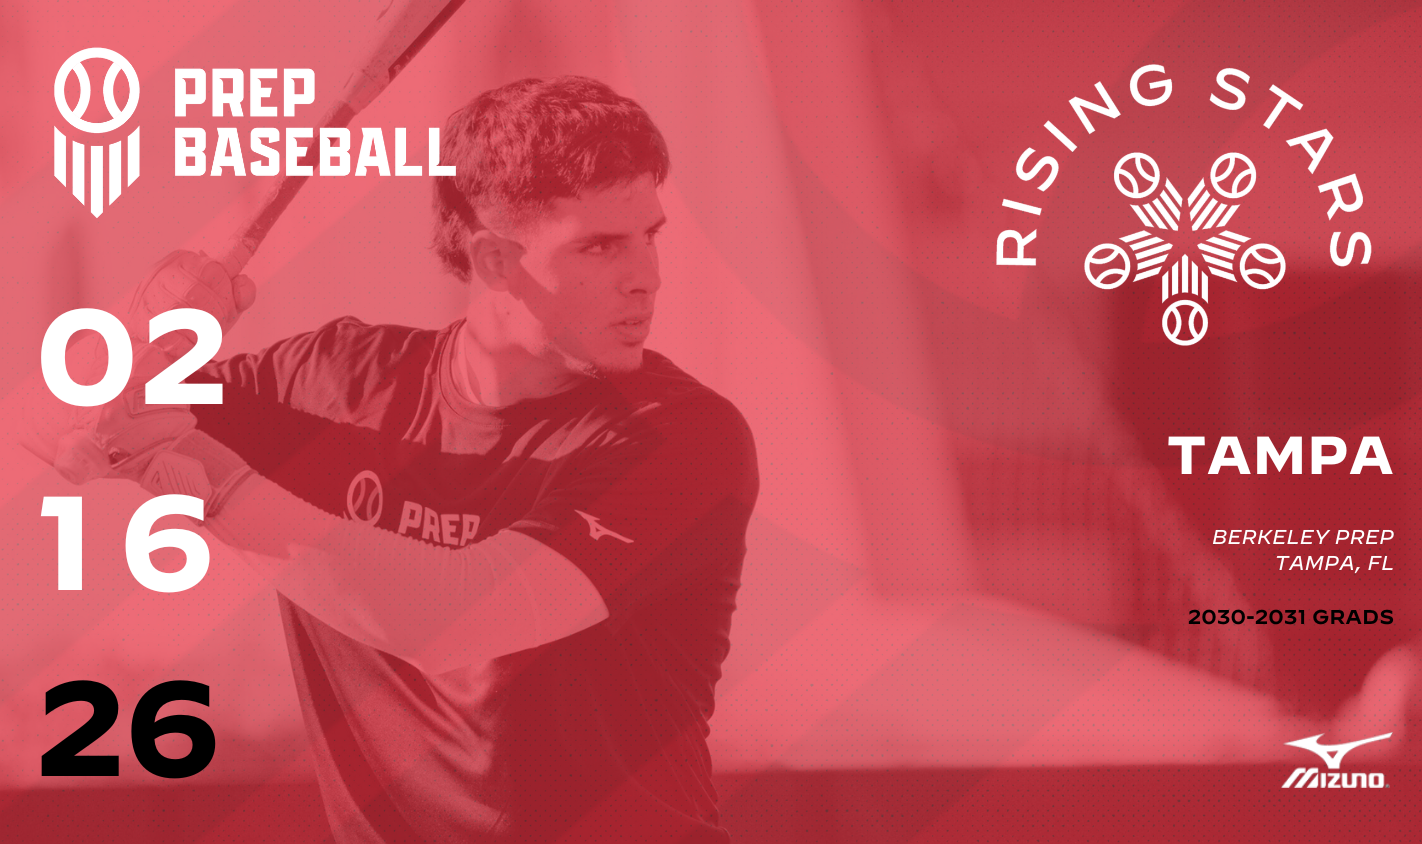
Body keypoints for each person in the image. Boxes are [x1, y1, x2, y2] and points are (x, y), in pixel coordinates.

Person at [68, 76, 759, 843]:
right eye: (600, 246)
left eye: (648, 236)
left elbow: (452, 617)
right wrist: (140, 329)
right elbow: (69, 418)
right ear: (496, 261)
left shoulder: (685, 439)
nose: (647, 277)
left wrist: (205, 480)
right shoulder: (328, 381)